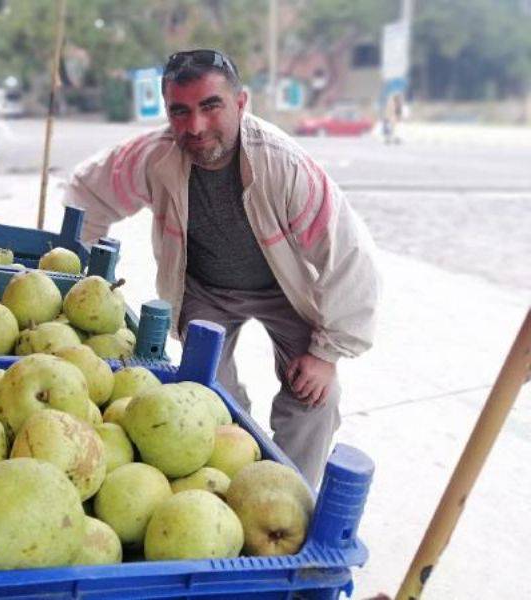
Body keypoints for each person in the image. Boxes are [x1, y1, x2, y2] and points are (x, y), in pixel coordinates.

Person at [63, 49, 380, 487]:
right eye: (180, 111)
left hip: (282, 290)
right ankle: (238, 483)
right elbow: (86, 190)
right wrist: (87, 271)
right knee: (209, 399)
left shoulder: (284, 165)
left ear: (241, 103)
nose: (195, 127)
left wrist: (326, 355)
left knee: (314, 399)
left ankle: (292, 492)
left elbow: (350, 256)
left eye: (211, 106)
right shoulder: (156, 155)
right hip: (205, 290)